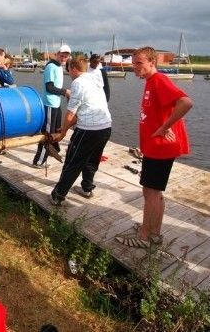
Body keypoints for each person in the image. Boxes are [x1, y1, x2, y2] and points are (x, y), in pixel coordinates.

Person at [116, 46, 192, 248]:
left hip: (161, 148)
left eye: (138, 63)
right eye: (133, 63)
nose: (134, 67)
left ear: (152, 62)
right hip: (154, 147)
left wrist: (165, 126)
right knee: (153, 192)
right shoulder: (150, 81)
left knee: (150, 193)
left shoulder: (159, 81)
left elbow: (186, 102)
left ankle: (145, 237)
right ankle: (153, 232)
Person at [48, 56, 112, 206]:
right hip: (105, 127)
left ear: (74, 69)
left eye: (69, 69)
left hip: (88, 131)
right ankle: (86, 189)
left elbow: (71, 113)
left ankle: (58, 196)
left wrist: (62, 133)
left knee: (73, 162)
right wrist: (66, 127)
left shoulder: (77, 83)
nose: (68, 72)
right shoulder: (94, 79)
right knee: (92, 160)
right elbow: (85, 109)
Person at [32, 45, 71, 168]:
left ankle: (55, 150)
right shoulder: (51, 66)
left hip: (56, 104)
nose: (64, 57)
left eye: (66, 56)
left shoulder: (60, 67)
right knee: (48, 134)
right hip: (49, 104)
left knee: (55, 132)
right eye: (62, 55)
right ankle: (38, 162)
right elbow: (49, 87)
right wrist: (65, 92)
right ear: (57, 53)